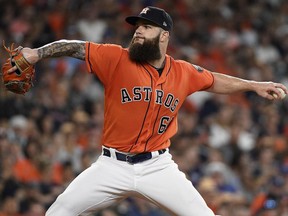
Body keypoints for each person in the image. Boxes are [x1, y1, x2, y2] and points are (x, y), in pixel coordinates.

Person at [7, 6, 287, 216]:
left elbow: (215, 80)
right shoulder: (116, 58)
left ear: (164, 35)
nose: (138, 31)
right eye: (137, 26)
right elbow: (74, 47)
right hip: (111, 165)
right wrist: (36, 54)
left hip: (157, 166)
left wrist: (254, 85)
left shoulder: (184, 72)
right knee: (59, 211)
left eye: (147, 27)